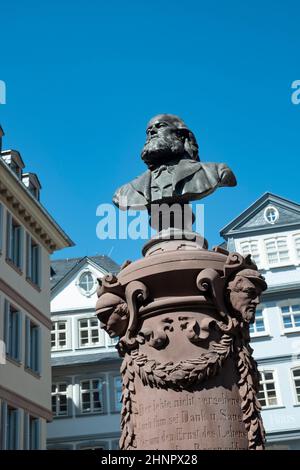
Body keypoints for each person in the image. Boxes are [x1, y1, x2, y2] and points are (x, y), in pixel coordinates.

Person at [113, 114, 237, 210]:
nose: (152, 132)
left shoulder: (215, 171)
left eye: (160, 126)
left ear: (181, 135)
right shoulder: (125, 191)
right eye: (148, 131)